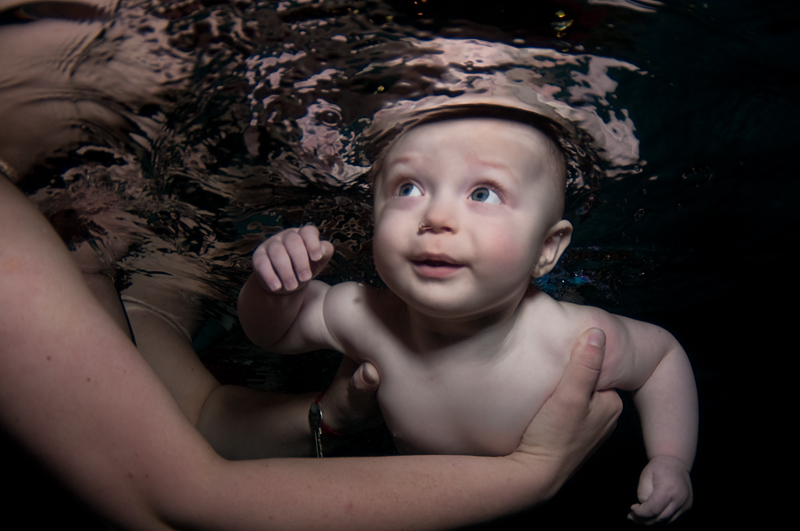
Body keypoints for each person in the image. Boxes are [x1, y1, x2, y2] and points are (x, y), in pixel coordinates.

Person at [1, 157, 624, 529]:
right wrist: (528, 476)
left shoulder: (108, 273)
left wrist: (328, 415)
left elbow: (194, 422)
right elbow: (176, 498)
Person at [238, 112, 698, 524]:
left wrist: (671, 458)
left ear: (546, 249)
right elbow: (275, 332)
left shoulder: (571, 339)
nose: (436, 216)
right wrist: (275, 285)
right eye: (408, 188)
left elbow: (662, 357)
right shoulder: (363, 315)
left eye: (483, 193)